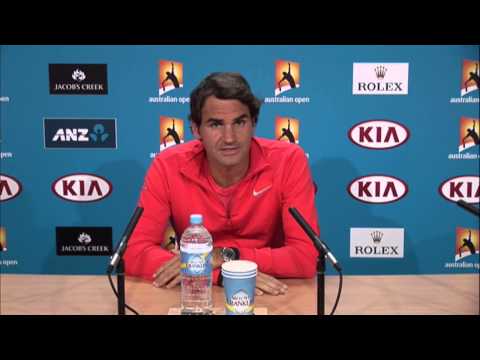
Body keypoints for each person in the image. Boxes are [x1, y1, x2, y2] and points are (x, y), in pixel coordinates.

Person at [124, 72, 319, 296]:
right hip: (196, 293)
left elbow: (306, 257)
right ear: (196, 130)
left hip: (271, 291)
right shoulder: (168, 166)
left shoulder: (288, 160)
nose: (229, 138)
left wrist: (224, 256)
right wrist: (220, 274)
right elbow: (133, 253)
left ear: (254, 123)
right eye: (216, 124)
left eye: (239, 122)